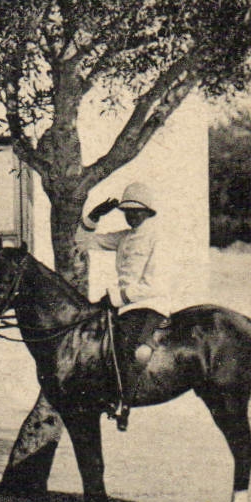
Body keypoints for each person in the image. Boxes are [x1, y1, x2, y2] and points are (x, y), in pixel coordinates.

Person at [78, 180, 171, 427]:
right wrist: (93, 217)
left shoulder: (157, 237)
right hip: (126, 306)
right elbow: (82, 242)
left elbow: (155, 285)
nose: (131, 216)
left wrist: (119, 296)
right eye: (127, 211)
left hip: (151, 304)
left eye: (136, 211)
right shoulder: (125, 237)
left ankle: (124, 403)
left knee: (131, 348)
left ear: (147, 211)